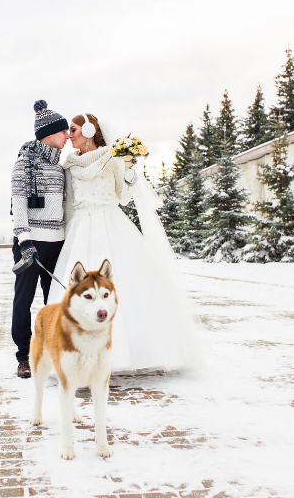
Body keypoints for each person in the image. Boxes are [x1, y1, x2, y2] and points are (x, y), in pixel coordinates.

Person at [48, 113, 205, 373]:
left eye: (73, 129)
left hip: (112, 224)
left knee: (129, 288)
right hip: (80, 230)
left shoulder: (114, 159)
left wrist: (131, 170)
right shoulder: (69, 165)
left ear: (89, 130)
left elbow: (123, 197)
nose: (69, 135)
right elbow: (69, 206)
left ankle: (131, 355)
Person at [10, 100, 69, 378]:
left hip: (58, 243)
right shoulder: (24, 164)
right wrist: (24, 239)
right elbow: (19, 203)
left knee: (53, 299)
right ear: (49, 133)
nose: (68, 135)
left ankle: (50, 350)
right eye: (64, 131)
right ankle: (24, 355)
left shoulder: (59, 167)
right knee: (24, 299)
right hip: (31, 242)